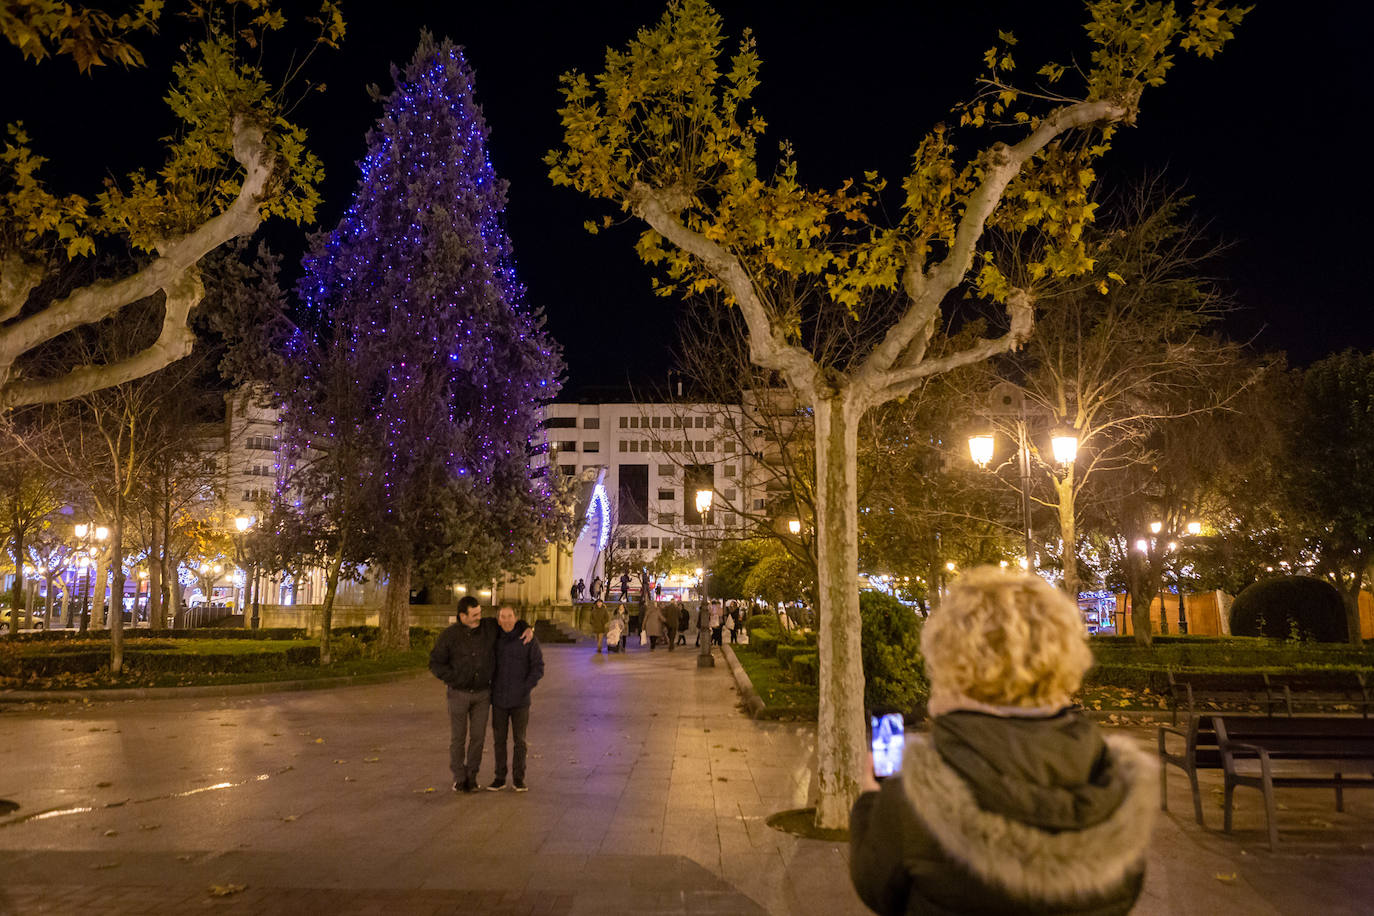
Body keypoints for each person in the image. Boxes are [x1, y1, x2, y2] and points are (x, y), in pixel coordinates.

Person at [848, 567, 1156, 915]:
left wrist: (871, 800)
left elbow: (876, 886)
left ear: (950, 658)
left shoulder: (912, 798)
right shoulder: (1117, 785)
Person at [429, 596, 532, 793]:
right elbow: (435, 663)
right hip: (458, 693)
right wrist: (453, 678)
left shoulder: (488, 627)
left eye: (480, 613)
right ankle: (460, 778)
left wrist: (527, 627)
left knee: (478, 737)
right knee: (458, 738)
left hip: (483, 694)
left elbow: (509, 622)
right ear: (462, 616)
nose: (479, 618)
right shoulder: (449, 636)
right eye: (474, 615)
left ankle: (472, 776)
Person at [488, 606, 544, 792]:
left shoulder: (527, 638)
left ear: (516, 617)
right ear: (498, 620)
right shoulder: (493, 638)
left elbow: (538, 666)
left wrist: (526, 686)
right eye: (502, 617)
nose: (506, 620)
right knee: (499, 740)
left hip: (520, 699)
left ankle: (519, 778)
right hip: (498, 698)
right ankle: (500, 777)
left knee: (520, 740)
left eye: (510, 616)